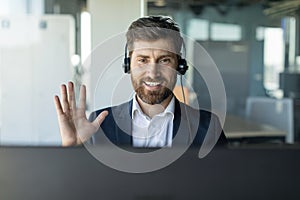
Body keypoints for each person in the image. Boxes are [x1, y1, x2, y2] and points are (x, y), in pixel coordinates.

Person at [54, 15, 227, 148]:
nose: (153, 72)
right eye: (143, 60)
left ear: (179, 65)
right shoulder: (100, 125)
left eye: (164, 60)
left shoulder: (208, 128)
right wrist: (71, 149)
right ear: (128, 64)